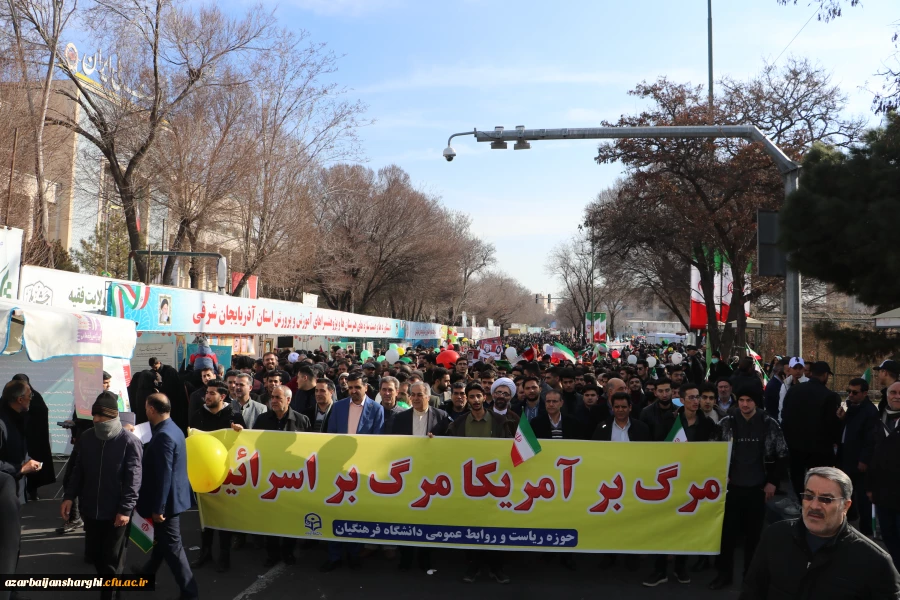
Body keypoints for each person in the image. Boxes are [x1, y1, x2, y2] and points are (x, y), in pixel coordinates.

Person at [741, 466, 900, 599]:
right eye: (809, 496)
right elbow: (752, 591)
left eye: (826, 499)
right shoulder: (775, 536)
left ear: (846, 506)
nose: (814, 506)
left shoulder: (875, 562)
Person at [61, 391, 142, 600]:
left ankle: (109, 594)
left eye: (101, 415)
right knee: (96, 555)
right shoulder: (87, 437)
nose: (96, 419)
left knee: (112, 559)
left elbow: (133, 480)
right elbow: (78, 470)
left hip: (116, 513)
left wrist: (125, 509)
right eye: (94, 415)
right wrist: (69, 496)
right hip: (91, 510)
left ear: (112, 416)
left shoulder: (129, 442)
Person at [711, 386, 788, 590]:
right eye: (742, 400)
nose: (745, 404)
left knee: (754, 537)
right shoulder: (726, 422)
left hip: (757, 488)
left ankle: (751, 577)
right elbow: (713, 451)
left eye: (749, 400)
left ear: (756, 402)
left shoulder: (769, 423)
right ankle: (724, 574)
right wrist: (720, 473)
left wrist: (772, 482)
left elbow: (782, 454)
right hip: (731, 488)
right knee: (727, 535)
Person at [643, 382, 718, 588]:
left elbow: (712, 453)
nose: (696, 401)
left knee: (686, 526)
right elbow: (658, 447)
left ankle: (681, 567)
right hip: (668, 480)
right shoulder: (669, 421)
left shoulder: (708, 425)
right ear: (682, 400)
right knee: (663, 525)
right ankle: (660, 570)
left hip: (693, 482)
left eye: (698, 397)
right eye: (692, 397)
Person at [133, 394, 198, 600]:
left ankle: (190, 593)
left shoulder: (164, 436)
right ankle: (147, 573)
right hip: (174, 497)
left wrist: (159, 508)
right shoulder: (173, 428)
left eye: (146, 408)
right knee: (163, 542)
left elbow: (164, 475)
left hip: (167, 503)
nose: (145, 411)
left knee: (173, 546)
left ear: (152, 409)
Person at [447, 382, 511, 584]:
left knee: (495, 525)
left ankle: (496, 567)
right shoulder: (458, 424)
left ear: (485, 397)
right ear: (466, 399)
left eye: (478, 396)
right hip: (469, 484)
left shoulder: (500, 422)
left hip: (495, 482)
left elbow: (510, 447)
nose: (475, 400)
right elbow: (447, 447)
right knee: (472, 525)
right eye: (471, 397)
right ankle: (473, 566)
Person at [323, 372, 384, 572]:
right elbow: (331, 436)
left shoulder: (376, 409)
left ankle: (354, 554)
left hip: (361, 470)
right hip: (339, 468)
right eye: (350, 387)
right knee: (335, 511)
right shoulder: (338, 407)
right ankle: (334, 556)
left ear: (366, 387)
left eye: (357, 387)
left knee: (356, 513)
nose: (353, 391)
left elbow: (377, 440)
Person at [392, 381, 451, 572]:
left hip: (430, 477)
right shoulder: (400, 418)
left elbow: (451, 444)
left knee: (427, 519)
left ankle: (425, 557)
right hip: (406, 475)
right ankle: (405, 557)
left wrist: (438, 442)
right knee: (406, 517)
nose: (416, 398)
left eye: (419, 395)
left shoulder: (441, 417)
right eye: (413, 395)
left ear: (428, 396)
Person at [189, 380, 245, 572]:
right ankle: (205, 553)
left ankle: (224, 555)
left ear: (222, 396)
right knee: (205, 516)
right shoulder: (198, 416)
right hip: (203, 474)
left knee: (223, 517)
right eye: (207, 392)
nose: (207, 396)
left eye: (212, 393)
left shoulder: (234, 416)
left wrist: (239, 432)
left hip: (227, 474)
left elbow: (244, 444)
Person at [252, 385, 310, 568]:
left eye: (278, 397)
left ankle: (288, 552)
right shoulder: (262, 420)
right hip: (270, 478)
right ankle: (272, 553)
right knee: (271, 517)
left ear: (289, 400)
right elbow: (253, 444)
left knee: (290, 517)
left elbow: (309, 449)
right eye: (272, 397)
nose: (274, 401)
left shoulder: (301, 421)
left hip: (292, 479)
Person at [781, 361, 843, 497]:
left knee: (797, 479)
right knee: (819, 483)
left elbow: (784, 415)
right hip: (819, 450)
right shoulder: (829, 396)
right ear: (825, 375)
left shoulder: (794, 390)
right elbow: (831, 424)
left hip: (795, 446)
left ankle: (800, 502)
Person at [837, 377, 879, 537]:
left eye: (855, 392)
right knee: (847, 491)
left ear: (865, 393)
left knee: (862, 496)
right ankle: (850, 519)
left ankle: (866, 530)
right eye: (849, 391)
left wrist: (864, 460)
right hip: (847, 456)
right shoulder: (852, 407)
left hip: (859, 459)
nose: (850, 395)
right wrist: (843, 418)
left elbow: (870, 439)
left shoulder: (869, 411)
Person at [867, 380, 900, 569]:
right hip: (883, 493)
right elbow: (873, 456)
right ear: (887, 396)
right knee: (888, 535)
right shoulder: (881, 420)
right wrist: (870, 487)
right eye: (893, 392)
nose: (897, 396)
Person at [12, 374, 55, 501]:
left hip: (32, 438)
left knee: (32, 465)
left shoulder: (35, 396)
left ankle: (32, 490)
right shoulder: (9, 397)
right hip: (14, 437)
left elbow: (42, 412)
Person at [0, 380, 41, 505]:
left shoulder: (18, 418)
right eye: (30, 395)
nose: (31, 399)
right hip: (4, 494)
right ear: (20, 399)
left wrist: (28, 462)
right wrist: (21, 468)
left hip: (15, 491)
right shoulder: (2, 424)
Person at [777, 356, 808, 421]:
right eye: (795, 368)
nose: (798, 371)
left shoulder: (808, 383)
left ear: (803, 369)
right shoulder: (785, 384)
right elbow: (781, 406)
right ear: (790, 369)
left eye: (800, 368)